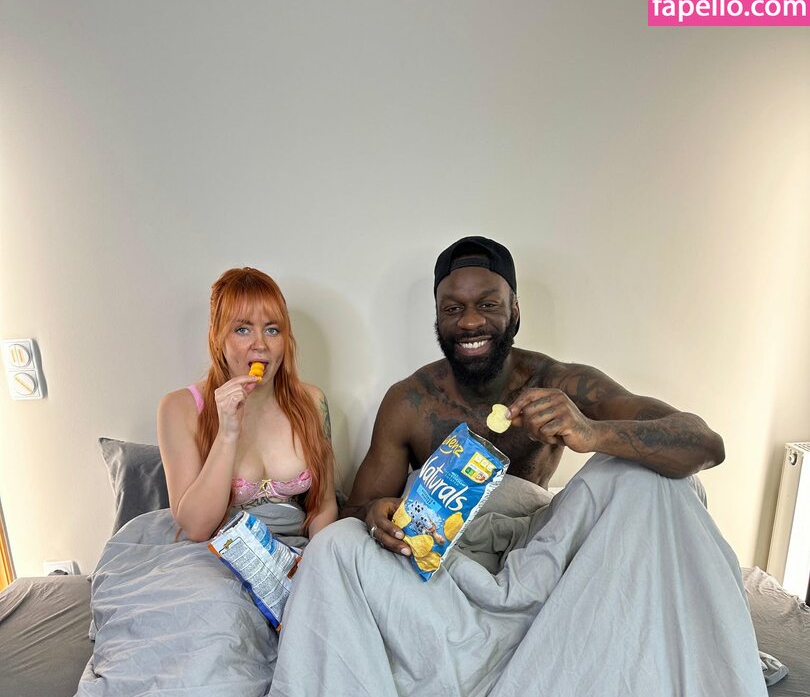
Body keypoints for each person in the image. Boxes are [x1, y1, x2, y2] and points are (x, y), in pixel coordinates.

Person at [342, 235, 724, 551]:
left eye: (488, 304)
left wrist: (591, 432)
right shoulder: (410, 402)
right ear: (438, 317)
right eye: (453, 308)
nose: (470, 321)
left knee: (659, 479)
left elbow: (706, 444)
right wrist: (376, 516)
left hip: (534, 551)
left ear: (515, 311)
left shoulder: (559, 383)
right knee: (340, 546)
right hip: (447, 560)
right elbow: (353, 516)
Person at [158, 266, 338, 542]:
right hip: (215, 551)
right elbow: (196, 528)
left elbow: (323, 506)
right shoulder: (178, 408)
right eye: (242, 329)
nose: (260, 344)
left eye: (272, 330)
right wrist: (227, 433)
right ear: (218, 337)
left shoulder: (313, 401)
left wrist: (317, 559)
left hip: (296, 550)